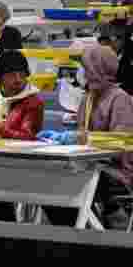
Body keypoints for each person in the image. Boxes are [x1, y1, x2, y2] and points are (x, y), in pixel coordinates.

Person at [39, 46, 133, 228]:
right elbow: (80, 136)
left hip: (117, 173)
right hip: (90, 165)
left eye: (86, 67)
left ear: (99, 69)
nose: (82, 72)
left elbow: (121, 143)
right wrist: (61, 138)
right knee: (49, 183)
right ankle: (78, 229)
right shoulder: (88, 98)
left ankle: (100, 223)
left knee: (67, 182)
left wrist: (79, 138)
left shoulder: (119, 99)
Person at [0, 50, 45, 222]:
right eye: (12, 75)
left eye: (22, 75)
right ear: (0, 78)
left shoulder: (33, 102)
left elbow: (26, 137)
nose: (18, 80)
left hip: (21, 165)